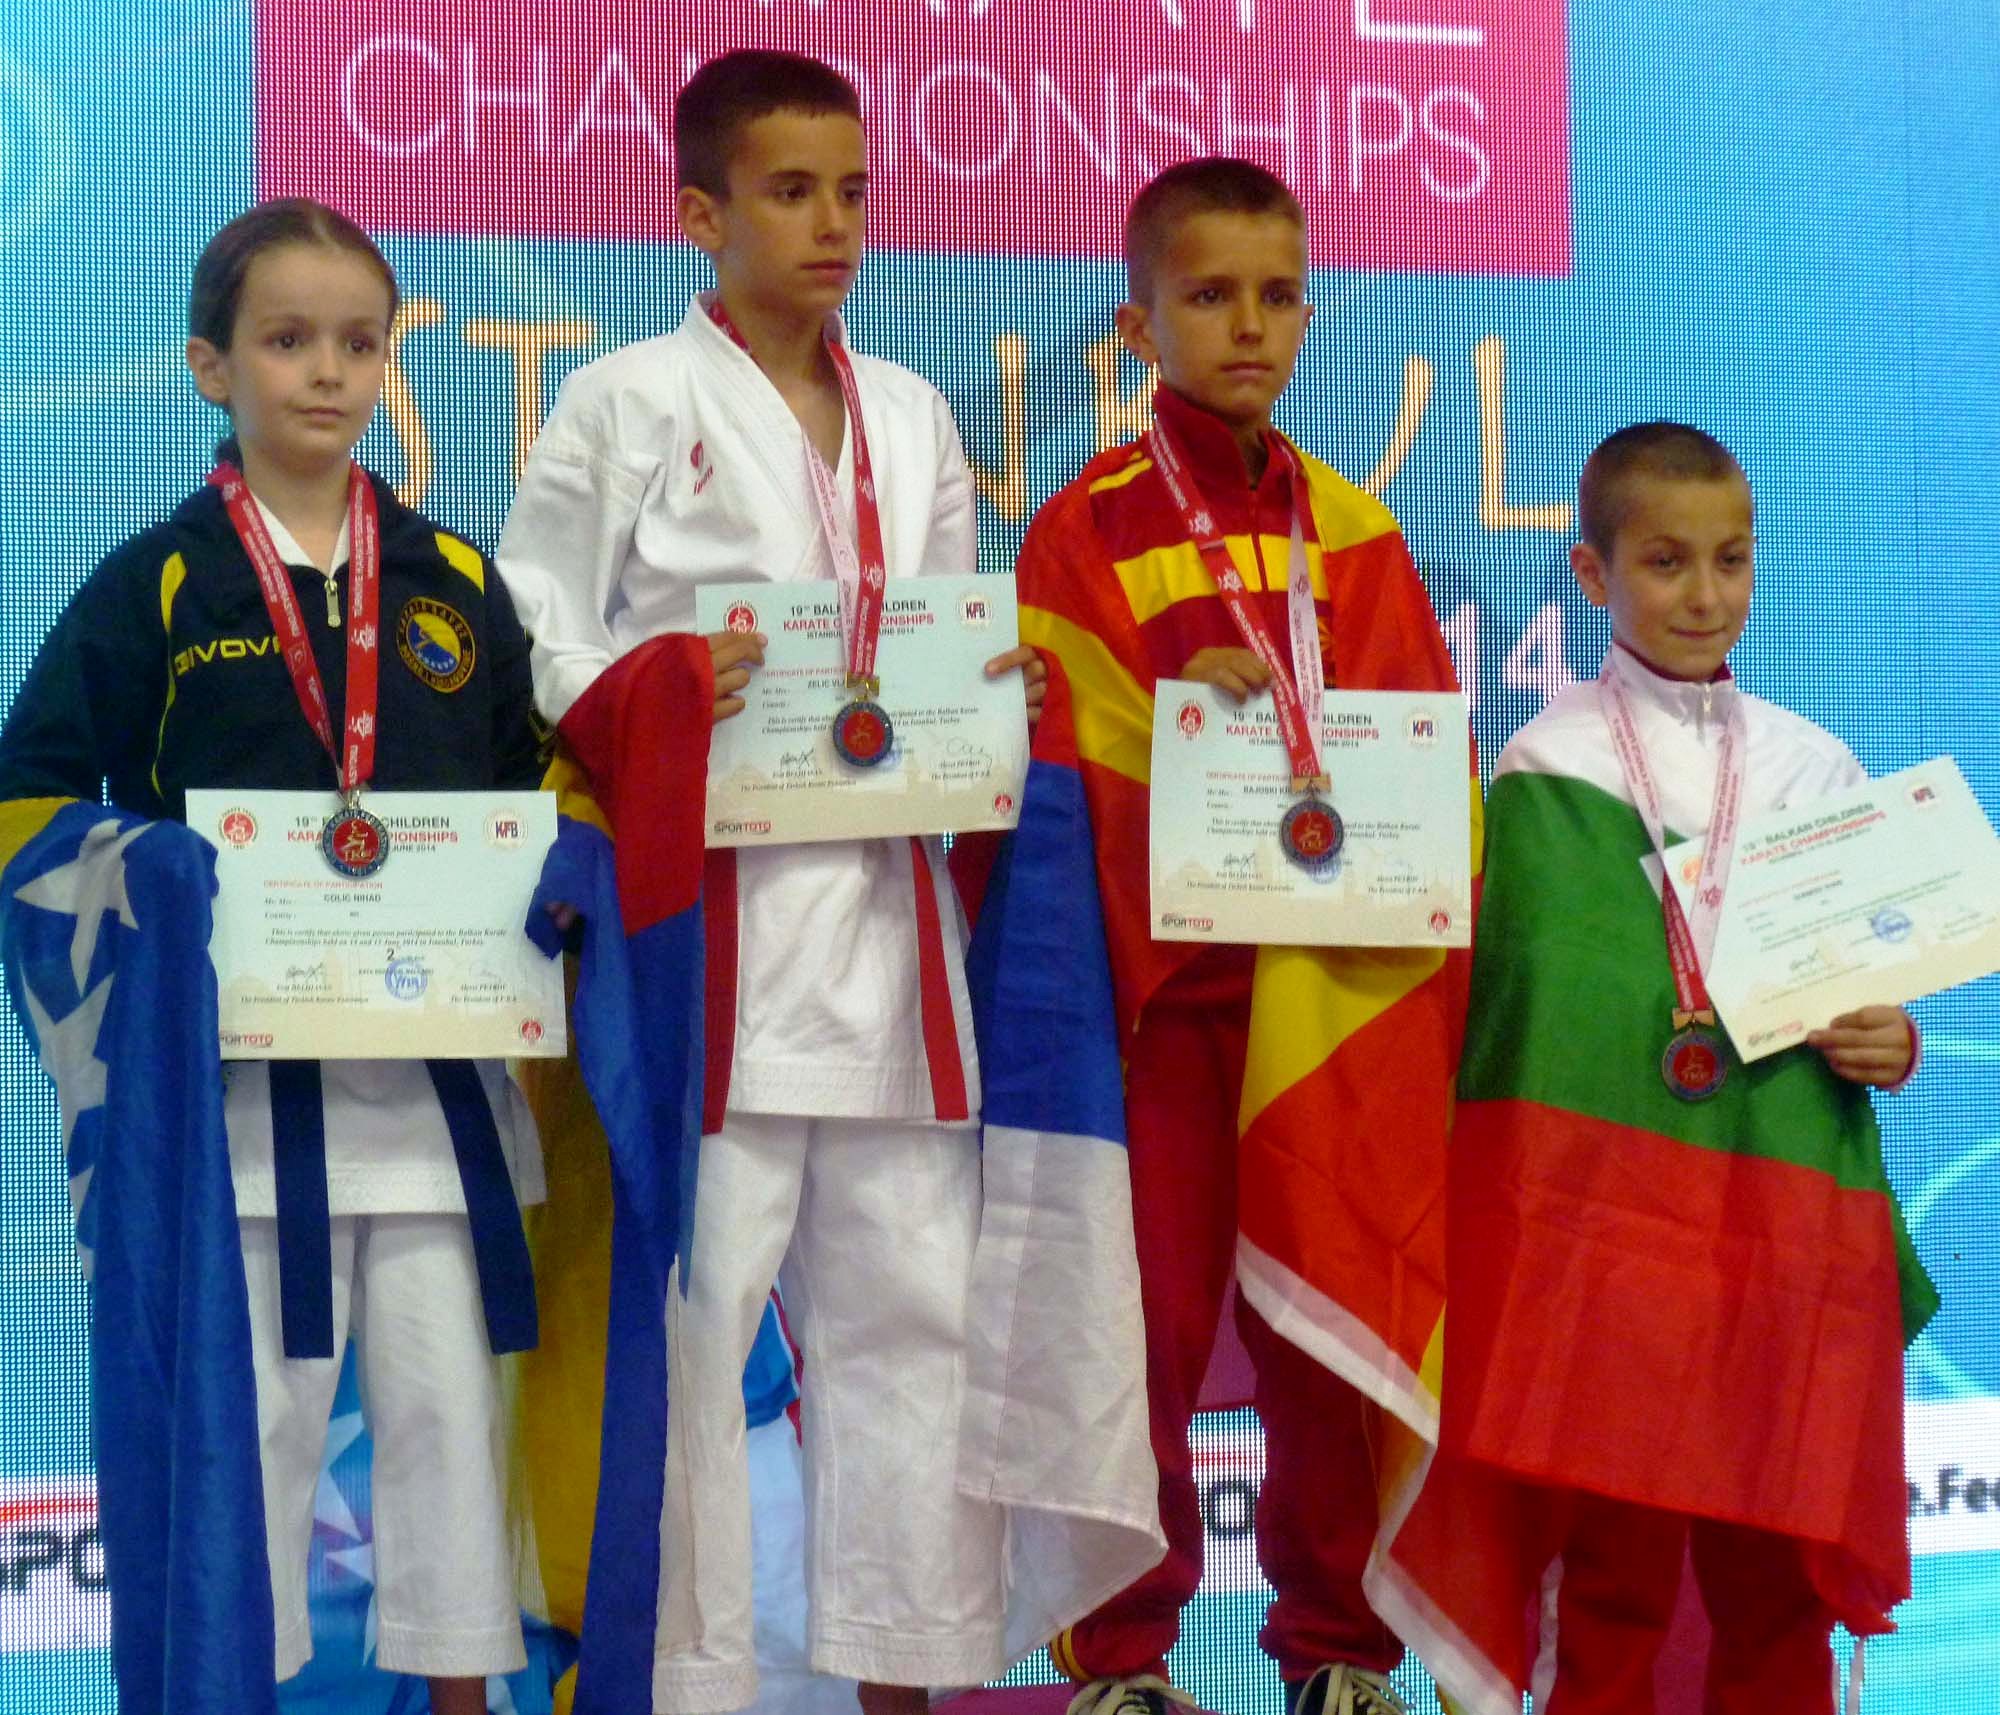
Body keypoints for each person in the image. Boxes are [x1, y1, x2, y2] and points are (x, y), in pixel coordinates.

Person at [494, 48, 1117, 1715]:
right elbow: (539, 632)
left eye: (851, 190)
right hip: (712, 944)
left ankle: (905, 1680)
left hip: (893, 949)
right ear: (699, 214)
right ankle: (685, 1688)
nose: (832, 222)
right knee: (693, 1337)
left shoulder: (913, 413)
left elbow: (940, 644)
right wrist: (659, 689)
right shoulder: (625, 400)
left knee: (914, 1331)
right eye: (789, 191)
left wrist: (1000, 691)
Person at [0, 198, 546, 1713]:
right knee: (251, 1449)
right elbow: (26, 800)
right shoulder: (158, 586)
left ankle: (466, 1703)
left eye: (360, 343)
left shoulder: (454, 580)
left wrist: (560, 866)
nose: (327, 372)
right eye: (288, 339)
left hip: (439, 1106)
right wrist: (148, 871)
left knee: (453, 1434)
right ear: (210, 366)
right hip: (238, 1119)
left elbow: (532, 792)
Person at [994, 156, 1483, 1715]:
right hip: (1161, 1019)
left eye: (1277, 296)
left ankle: (1339, 1653)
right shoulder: (1082, 530)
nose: (1248, 327)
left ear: (1311, 313)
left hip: (1322, 1012)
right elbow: (1053, 779)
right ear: (1140, 325)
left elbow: (1425, 779)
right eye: (1209, 297)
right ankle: (1121, 1659)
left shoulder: (1358, 531)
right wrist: (1179, 731)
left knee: (1330, 1339)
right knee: (1135, 1335)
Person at [1445, 421, 1938, 1713]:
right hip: (1609, 1247)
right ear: (1592, 573)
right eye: (1666, 562)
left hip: (1780, 1231)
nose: (1705, 594)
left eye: (1731, 559)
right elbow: (1516, 1034)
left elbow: (1864, 1000)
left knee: (1776, 1579)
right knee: (1611, 1575)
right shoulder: (1539, 768)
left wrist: (1891, 1042)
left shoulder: (1813, 765)